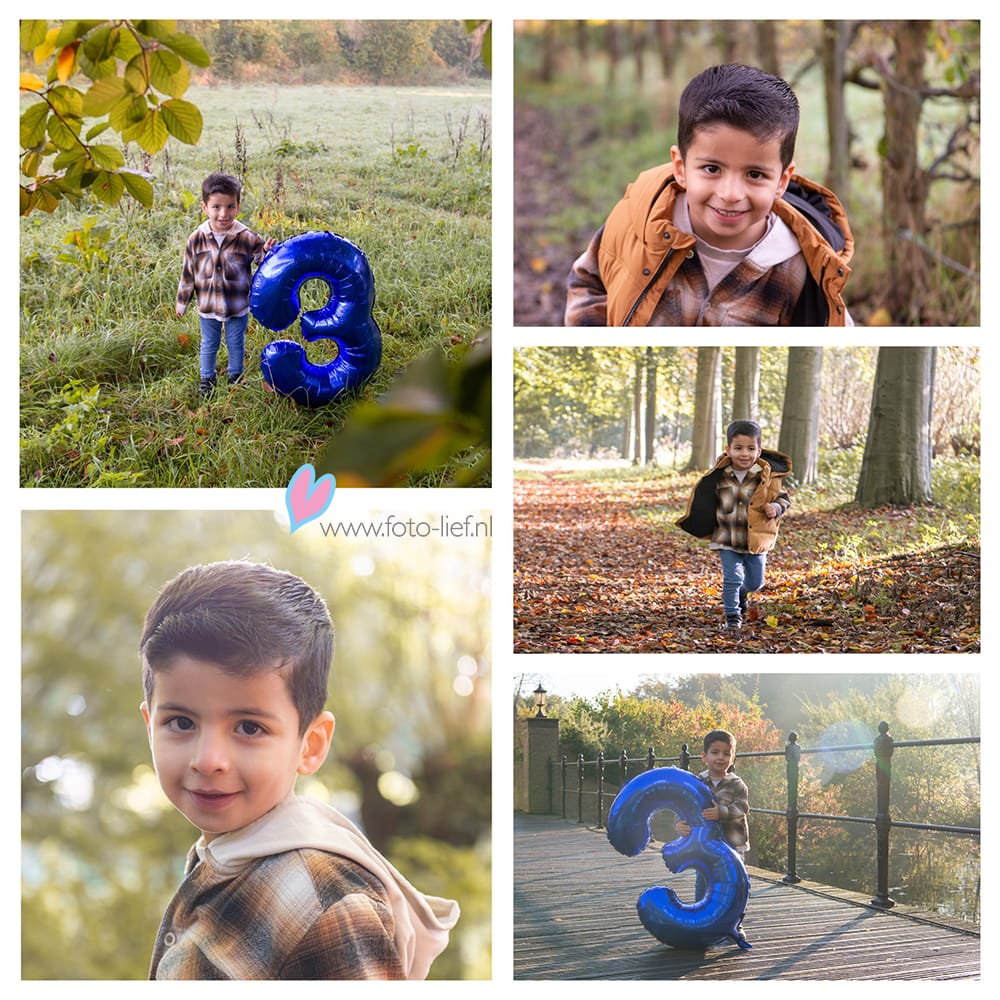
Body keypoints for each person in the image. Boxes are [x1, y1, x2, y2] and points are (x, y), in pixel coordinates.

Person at [138, 561, 459, 980]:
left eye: (249, 727)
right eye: (181, 722)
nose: (208, 759)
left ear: (311, 744)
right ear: (150, 725)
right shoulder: (221, 859)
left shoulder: (329, 900)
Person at [565, 63, 854, 326]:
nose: (730, 194)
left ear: (782, 180)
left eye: (755, 174)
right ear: (681, 167)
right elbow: (589, 280)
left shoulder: (801, 268)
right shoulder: (638, 223)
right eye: (712, 169)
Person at [677, 419, 791, 629]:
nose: (744, 453)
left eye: (750, 448)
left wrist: (775, 508)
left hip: (755, 539)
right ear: (728, 450)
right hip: (727, 536)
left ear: (759, 451)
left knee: (756, 583)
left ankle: (742, 593)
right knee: (732, 578)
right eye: (738, 448)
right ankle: (732, 617)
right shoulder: (719, 476)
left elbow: (784, 499)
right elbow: (705, 500)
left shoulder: (767, 477)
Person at [176, 173, 276, 396]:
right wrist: (182, 302)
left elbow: (262, 259)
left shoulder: (246, 236)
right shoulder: (197, 238)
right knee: (209, 343)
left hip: (236, 305)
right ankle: (207, 378)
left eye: (230, 206)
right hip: (208, 306)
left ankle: (235, 376)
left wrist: (268, 252)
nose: (223, 214)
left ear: (238, 206)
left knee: (235, 342)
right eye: (216, 207)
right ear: (204, 207)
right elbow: (188, 272)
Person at [674, 730, 750, 901]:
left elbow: (742, 807)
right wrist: (679, 823)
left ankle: (735, 920)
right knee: (703, 880)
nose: (720, 757)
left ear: (732, 758)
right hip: (704, 844)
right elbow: (684, 806)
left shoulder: (737, 784)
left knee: (735, 881)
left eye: (726, 753)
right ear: (704, 756)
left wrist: (720, 813)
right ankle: (700, 917)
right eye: (715, 752)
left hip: (732, 843)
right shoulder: (697, 782)